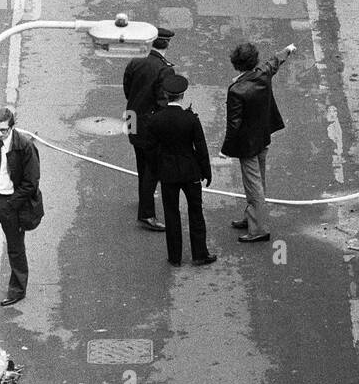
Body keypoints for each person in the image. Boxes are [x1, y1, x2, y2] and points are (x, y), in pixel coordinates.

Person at [221, 41, 296, 243]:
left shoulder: (237, 90)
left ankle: (259, 228)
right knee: (258, 181)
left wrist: (225, 150)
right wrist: (287, 50)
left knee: (253, 186)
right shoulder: (263, 73)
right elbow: (275, 61)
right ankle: (251, 217)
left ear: (236, 64)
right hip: (263, 136)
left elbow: (234, 124)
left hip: (247, 144)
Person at [147, 75, 216, 268]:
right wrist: (206, 172)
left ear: (165, 94)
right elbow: (201, 148)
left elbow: (150, 149)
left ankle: (175, 257)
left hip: (168, 173)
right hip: (190, 171)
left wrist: (157, 170)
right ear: (182, 95)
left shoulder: (156, 119)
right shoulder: (191, 119)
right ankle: (200, 254)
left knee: (171, 213)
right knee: (196, 212)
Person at [123, 27, 175, 231]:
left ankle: (144, 199)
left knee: (141, 162)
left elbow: (127, 88)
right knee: (153, 168)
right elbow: (163, 102)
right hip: (150, 124)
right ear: (167, 44)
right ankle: (146, 214)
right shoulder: (165, 69)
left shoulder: (136, 61)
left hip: (132, 117)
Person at [0, 107, 42, 307]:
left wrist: (12, 204)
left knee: (15, 248)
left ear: (12, 127)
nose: (0, 134)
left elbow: (31, 183)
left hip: (12, 202)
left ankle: (17, 290)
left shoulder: (24, 146)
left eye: (3, 130)